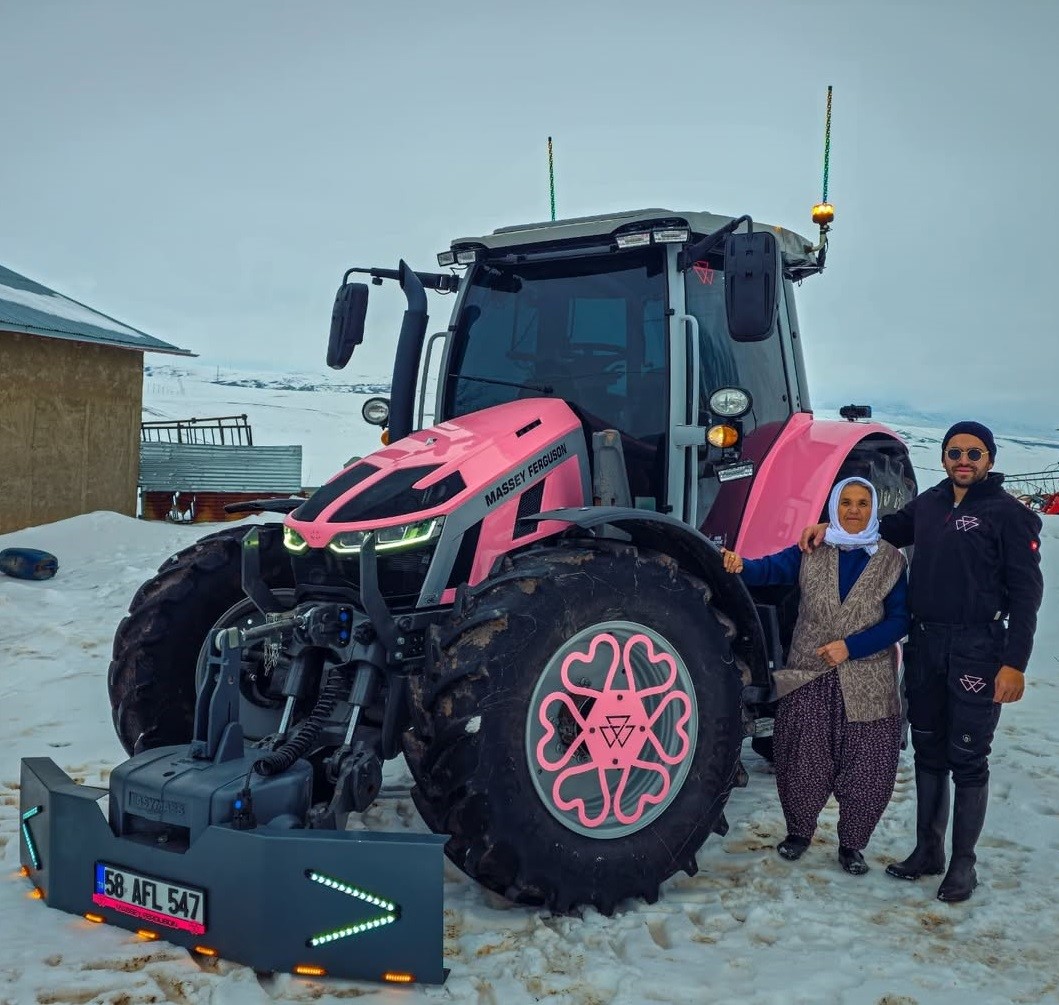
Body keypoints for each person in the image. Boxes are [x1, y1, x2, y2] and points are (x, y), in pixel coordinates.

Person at [800, 421, 1044, 903]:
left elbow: (1027, 593)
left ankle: (963, 864)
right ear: (945, 457)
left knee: (968, 758)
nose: (963, 460)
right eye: (955, 451)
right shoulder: (930, 503)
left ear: (990, 459)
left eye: (974, 453)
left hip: (978, 647)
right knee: (929, 751)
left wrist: (1014, 662)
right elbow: (882, 528)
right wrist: (831, 527)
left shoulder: (1007, 514)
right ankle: (928, 850)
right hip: (926, 645)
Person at [722, 477, 910, 875]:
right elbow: (769, 570)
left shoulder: (891, 559)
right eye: (845, 503)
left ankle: (852, 846)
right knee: (800, 758)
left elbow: (899, 621)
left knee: (868, 765)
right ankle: (799, 833)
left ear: (873, 509)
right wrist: (740, 565)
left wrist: (852, 647)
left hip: (867, 679)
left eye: (862, 503)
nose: (854, 510)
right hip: (809, 673)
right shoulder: (813, 548)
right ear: (833, 508)